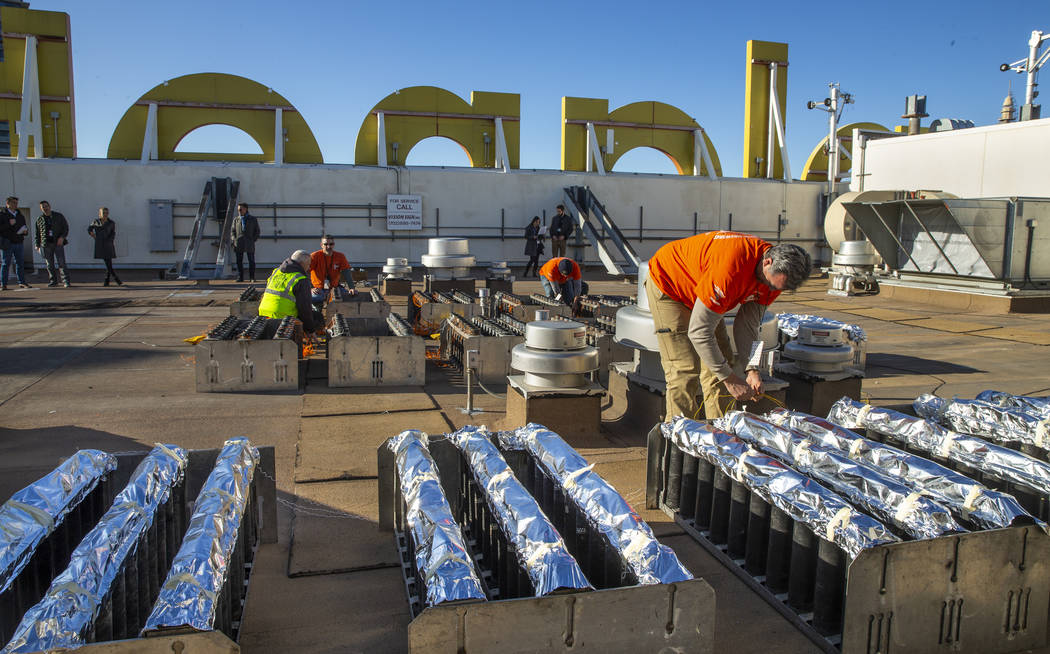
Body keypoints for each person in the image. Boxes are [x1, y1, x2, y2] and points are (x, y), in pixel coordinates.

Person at [645, 231, 811, 421]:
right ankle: (678, 439)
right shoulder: (730, 269)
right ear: (768, 262)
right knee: (684, 369)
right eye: (772, 285)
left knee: (723, 363)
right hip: (670, 285)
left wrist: (752, 369)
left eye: (778, 288)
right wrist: (731, 380)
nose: (772, 290)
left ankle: (721, 435)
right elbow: (699, 332)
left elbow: (750, 326)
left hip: (703, 288)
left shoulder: (775, 281)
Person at [259, 249, 321, 333]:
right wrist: (310, 330)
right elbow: (304, 308)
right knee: (316, 316)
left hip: (263, 313)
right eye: (308, 264)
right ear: (302, 264)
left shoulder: (276, 271)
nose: (309, 267)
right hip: (283, 316)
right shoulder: (300, 279)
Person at [34, 200, 71, 287]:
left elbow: (65, 228)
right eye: (43, 207)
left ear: (49, 206)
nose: (45, 208)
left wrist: (62, 237)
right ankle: (53, 281)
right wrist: (37, 244)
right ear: (41, 208)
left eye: (46, 206)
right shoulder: (40, 219)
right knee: (49, 264)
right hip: (45, 244)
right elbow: (37, 233)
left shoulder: (58, 216)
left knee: (61, 262)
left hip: (57, 243)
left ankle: (66, 281)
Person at [309, 235, 353, 303]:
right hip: (318, 289)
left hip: (334, 288)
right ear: (321, 245)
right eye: (326, 244)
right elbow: (304, 272)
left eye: (331, 244)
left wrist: (352, 288)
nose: (328, 247)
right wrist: (310, 288)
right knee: (313, 298)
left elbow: (347, 273)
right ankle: (316, 308)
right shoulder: (314, 256)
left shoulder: (340, 256)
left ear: (334, 245)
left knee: (349, 297)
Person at [0, 196, 31, 289]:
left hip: (19, 242)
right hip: (7, 243)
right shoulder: (2, 215)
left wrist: (25, 231)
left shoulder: (20, 215)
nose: (15, 205)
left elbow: (24, 226)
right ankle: (3, 284)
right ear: (7, 203)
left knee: (20, 263)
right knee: (6, 263)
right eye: (13, 202)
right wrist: (9, 224)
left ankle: (22, 282)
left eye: (16, 203)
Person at [87, 207, 121, 286]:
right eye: (103, 213)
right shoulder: (96, 222)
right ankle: (113, 278)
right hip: (100, 244)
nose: (105, 214)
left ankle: (108, 280)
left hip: (108, 244)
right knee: (108, 263)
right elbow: (89, 229)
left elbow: (113, 233)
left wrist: (110, 240)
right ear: (100, 214)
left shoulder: (111, 222)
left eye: (106, 213)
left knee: (108, 262)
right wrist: (94, 236)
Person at [230, 202, 261, 282]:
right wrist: (234, 239)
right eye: (238, 210)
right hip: (239, 243)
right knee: (239, 261)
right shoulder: (236, 220)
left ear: (245, 209)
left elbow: (257, 231)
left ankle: (252, 277)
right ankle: (240, 277)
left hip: (249, 242)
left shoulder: (253, 219)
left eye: (241, 209)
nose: (239, 211)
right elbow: (233, 231)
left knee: (251, 260)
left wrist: (253, 239)